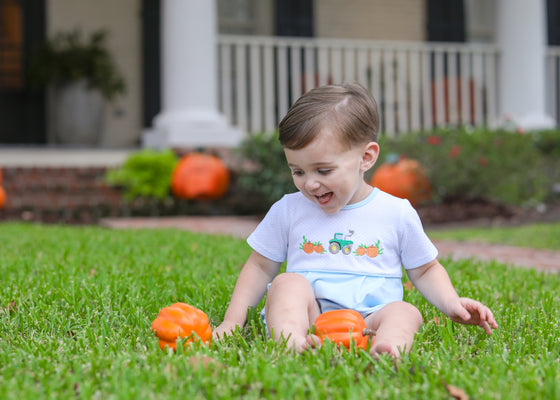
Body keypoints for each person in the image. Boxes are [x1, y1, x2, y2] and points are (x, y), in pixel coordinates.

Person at [213, 82, 498, 358]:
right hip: (309, 315)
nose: (310, 184)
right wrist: (231, 322)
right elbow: (260, 267)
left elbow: (425, 270)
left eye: (323, 171)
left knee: (406, 312)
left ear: (366, 157)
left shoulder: (396, 212)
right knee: (286, 283)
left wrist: (451, 302)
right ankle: (293, 342)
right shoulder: (289, 209)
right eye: (298, 172)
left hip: (371, 321)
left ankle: (387, 348)